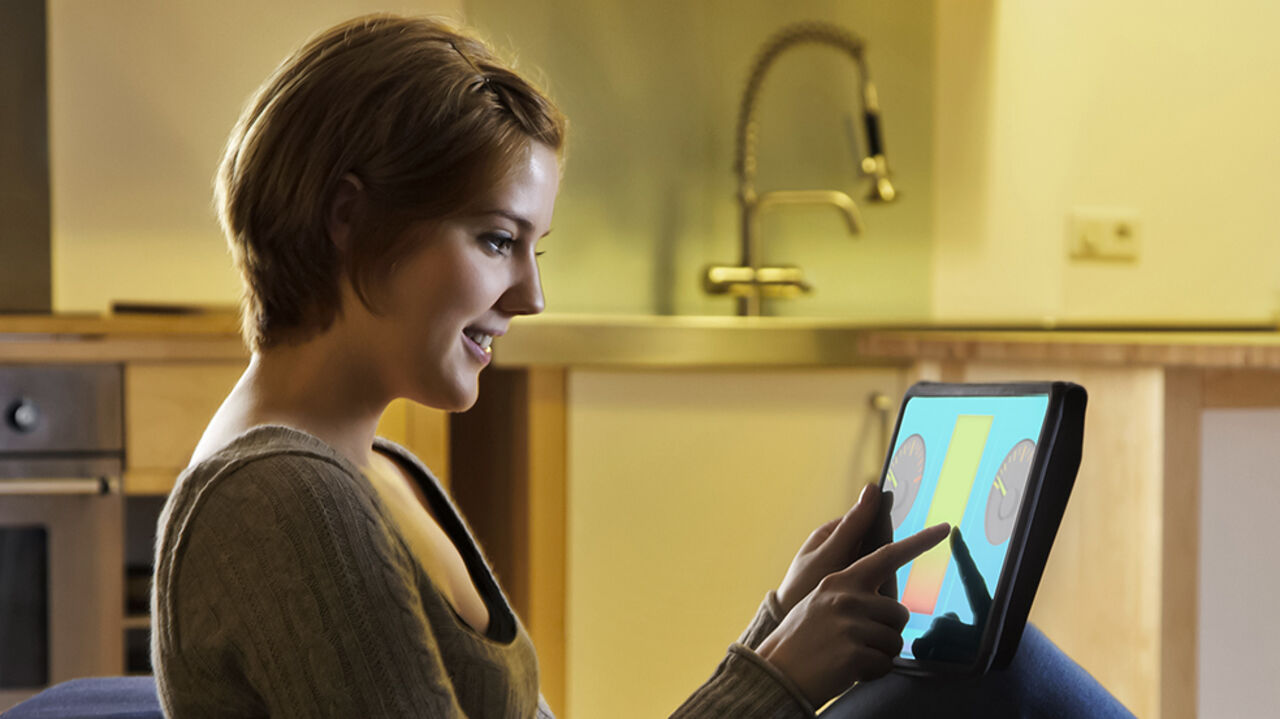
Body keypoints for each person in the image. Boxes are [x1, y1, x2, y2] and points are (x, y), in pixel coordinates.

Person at [151, 13, 1132, 718]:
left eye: (536, 248)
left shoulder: (374, 471)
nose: (530, 296)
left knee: (978, 661)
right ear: (350, 218)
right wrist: (779, 681)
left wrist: (772, 631)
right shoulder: (281, 496)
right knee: (987, 677)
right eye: (497, 238)